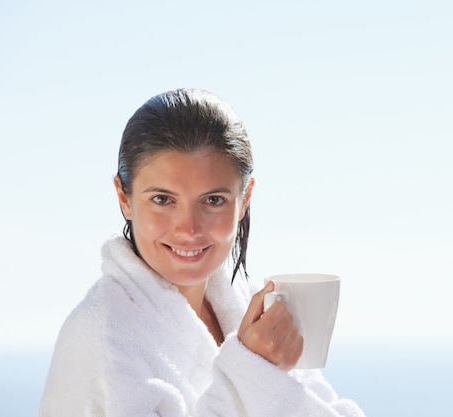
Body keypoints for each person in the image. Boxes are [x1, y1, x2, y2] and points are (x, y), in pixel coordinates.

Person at [39, 88, 365, 417]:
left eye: (213, 200)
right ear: (124, 198)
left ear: (245, 199)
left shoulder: (252, 311)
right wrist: (252, 373)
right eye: (162, 200)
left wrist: (256, 369)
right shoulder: (99, 338)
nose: (189, 229)